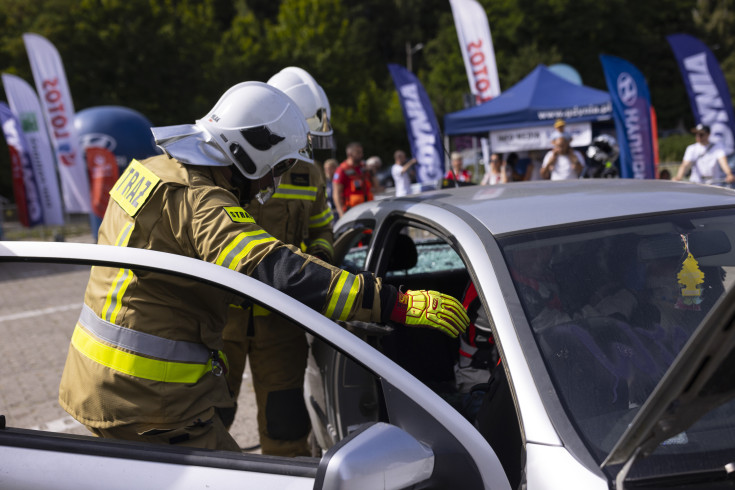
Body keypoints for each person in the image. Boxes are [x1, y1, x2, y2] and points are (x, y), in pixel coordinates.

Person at [58, 81, 469, 453]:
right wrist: (394, 303)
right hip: (153, 404)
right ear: (246, 152)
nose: (275, 179)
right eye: (277, 167)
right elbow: (278, 270)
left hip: (101, 382)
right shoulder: (203, 201)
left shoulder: (149, 170)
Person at [220, 67, 337, 456]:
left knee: (287, 428)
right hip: (222, 319)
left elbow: (322, 229)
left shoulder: (309, 174)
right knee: (206, 420)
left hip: (282, 322)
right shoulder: (228, 168)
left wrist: (319, 255)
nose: (302, 146)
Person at [332, 141, 372, 217]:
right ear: (350, 154)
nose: (361, 155)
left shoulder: (363, 167)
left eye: (361, 152)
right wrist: (341, 214)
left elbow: (373, 186)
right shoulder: (342, 170)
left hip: (368, 209)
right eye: (358, 153)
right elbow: (336, 194)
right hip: (351, 212)